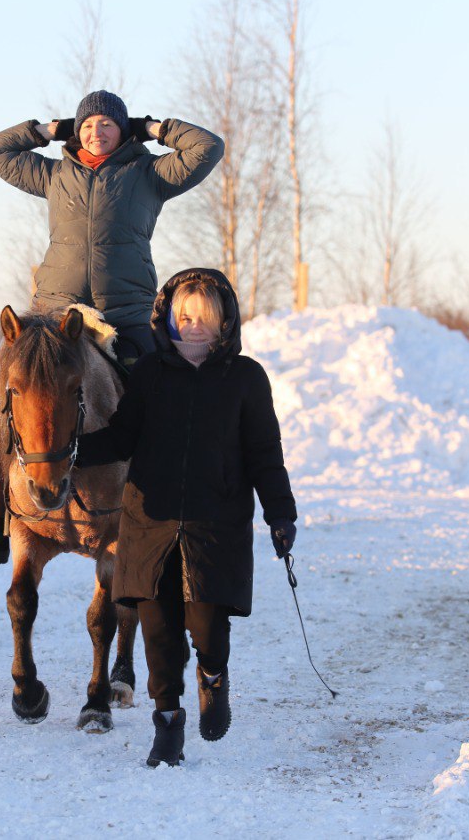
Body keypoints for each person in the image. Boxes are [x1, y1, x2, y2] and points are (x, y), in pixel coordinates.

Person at [0, 91, 225, 565]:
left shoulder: (150, 173)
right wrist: (48, 130)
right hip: (53, 312)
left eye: (107, 124)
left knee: (161, 391)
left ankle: (170, 516)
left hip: (125, 312)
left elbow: (207, 147)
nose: (96, 131)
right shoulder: (53, 173)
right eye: (87, 124)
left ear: (122, 129)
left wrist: (153, 129)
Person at [76, 268, 297, 767]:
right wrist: (70, 452)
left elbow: (265, 452)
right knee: (157, 631)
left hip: (214, 527)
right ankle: (167, 725)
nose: (194, 326)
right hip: (148, 524)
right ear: (170, 320)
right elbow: (121, 437)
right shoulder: (152, 374)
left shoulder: (246, 379)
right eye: (185, 316)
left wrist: (280, 514)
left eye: (205, 317)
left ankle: (213, 677)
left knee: (206, 629)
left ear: (224, 323)